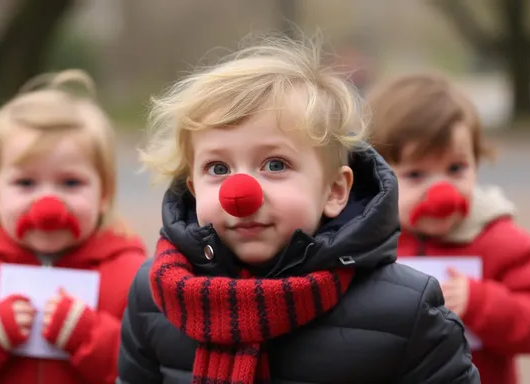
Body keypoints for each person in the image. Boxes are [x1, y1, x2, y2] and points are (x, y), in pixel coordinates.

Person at [117, 34, 479, 383]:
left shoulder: (407, 311)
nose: (240, 194)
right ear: (194, 191)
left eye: (275, 165)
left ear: (335, 191)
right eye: (219, 168)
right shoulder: (154, 294)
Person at [0, 70, 147, 384]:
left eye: (70, 182)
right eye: (25, 183)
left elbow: (151, 366)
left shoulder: (131, 276)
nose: (47, 201)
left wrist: (89, 335)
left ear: (104, 194)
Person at [367, 72, 530, 384]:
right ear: (377, 176)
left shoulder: (503, 242)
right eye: (416, 174)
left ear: (476, 162)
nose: (442, 190)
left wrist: (480, 302)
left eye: (456, 169)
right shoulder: (363, 246)